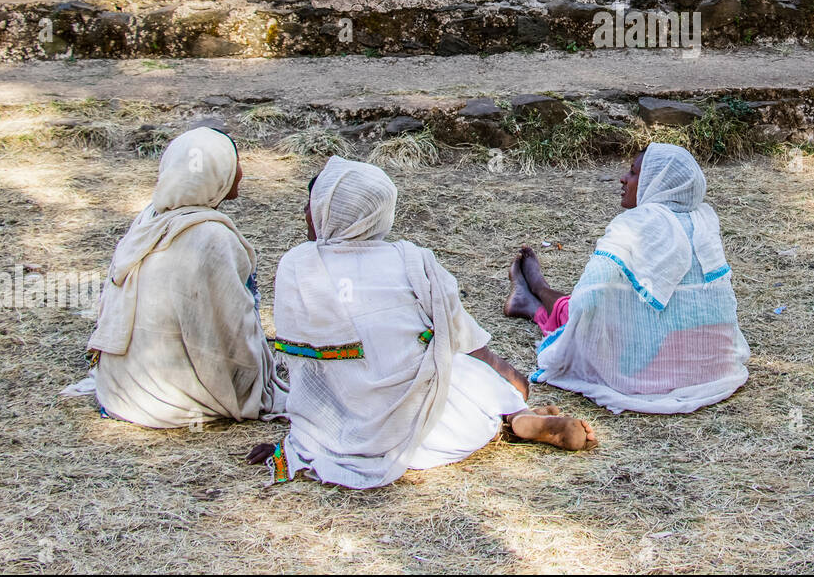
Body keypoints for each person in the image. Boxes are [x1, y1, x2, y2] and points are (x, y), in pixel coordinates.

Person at [249, 156, 594, 489]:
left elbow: (307, 371)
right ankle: (512, 414)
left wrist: (304, 438)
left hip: (346, 432)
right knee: (459, 368)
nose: (307, 211)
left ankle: (513, 416)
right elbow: (464, 338)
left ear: (333, 211)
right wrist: (507, 376)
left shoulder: (297, 265)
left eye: (315, 202)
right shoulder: (412, 260)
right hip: (437, 428)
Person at [505, 143, 750, 415]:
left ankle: (539, 290)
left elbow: (587, 299)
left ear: (657, 182)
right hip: (711, 364)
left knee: (576, 310)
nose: (624, 179)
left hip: (645, 370)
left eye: (633, 173)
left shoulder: (633, 225)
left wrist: (578, 331)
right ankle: (530, 303)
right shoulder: (705, 219)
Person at [76, 127, 286, 429]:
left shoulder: (150, 219)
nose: (240, 171)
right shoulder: (211, 237)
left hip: (120, 391)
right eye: (235, 161)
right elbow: (233, 334)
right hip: (176, 402)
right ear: (217, 172)